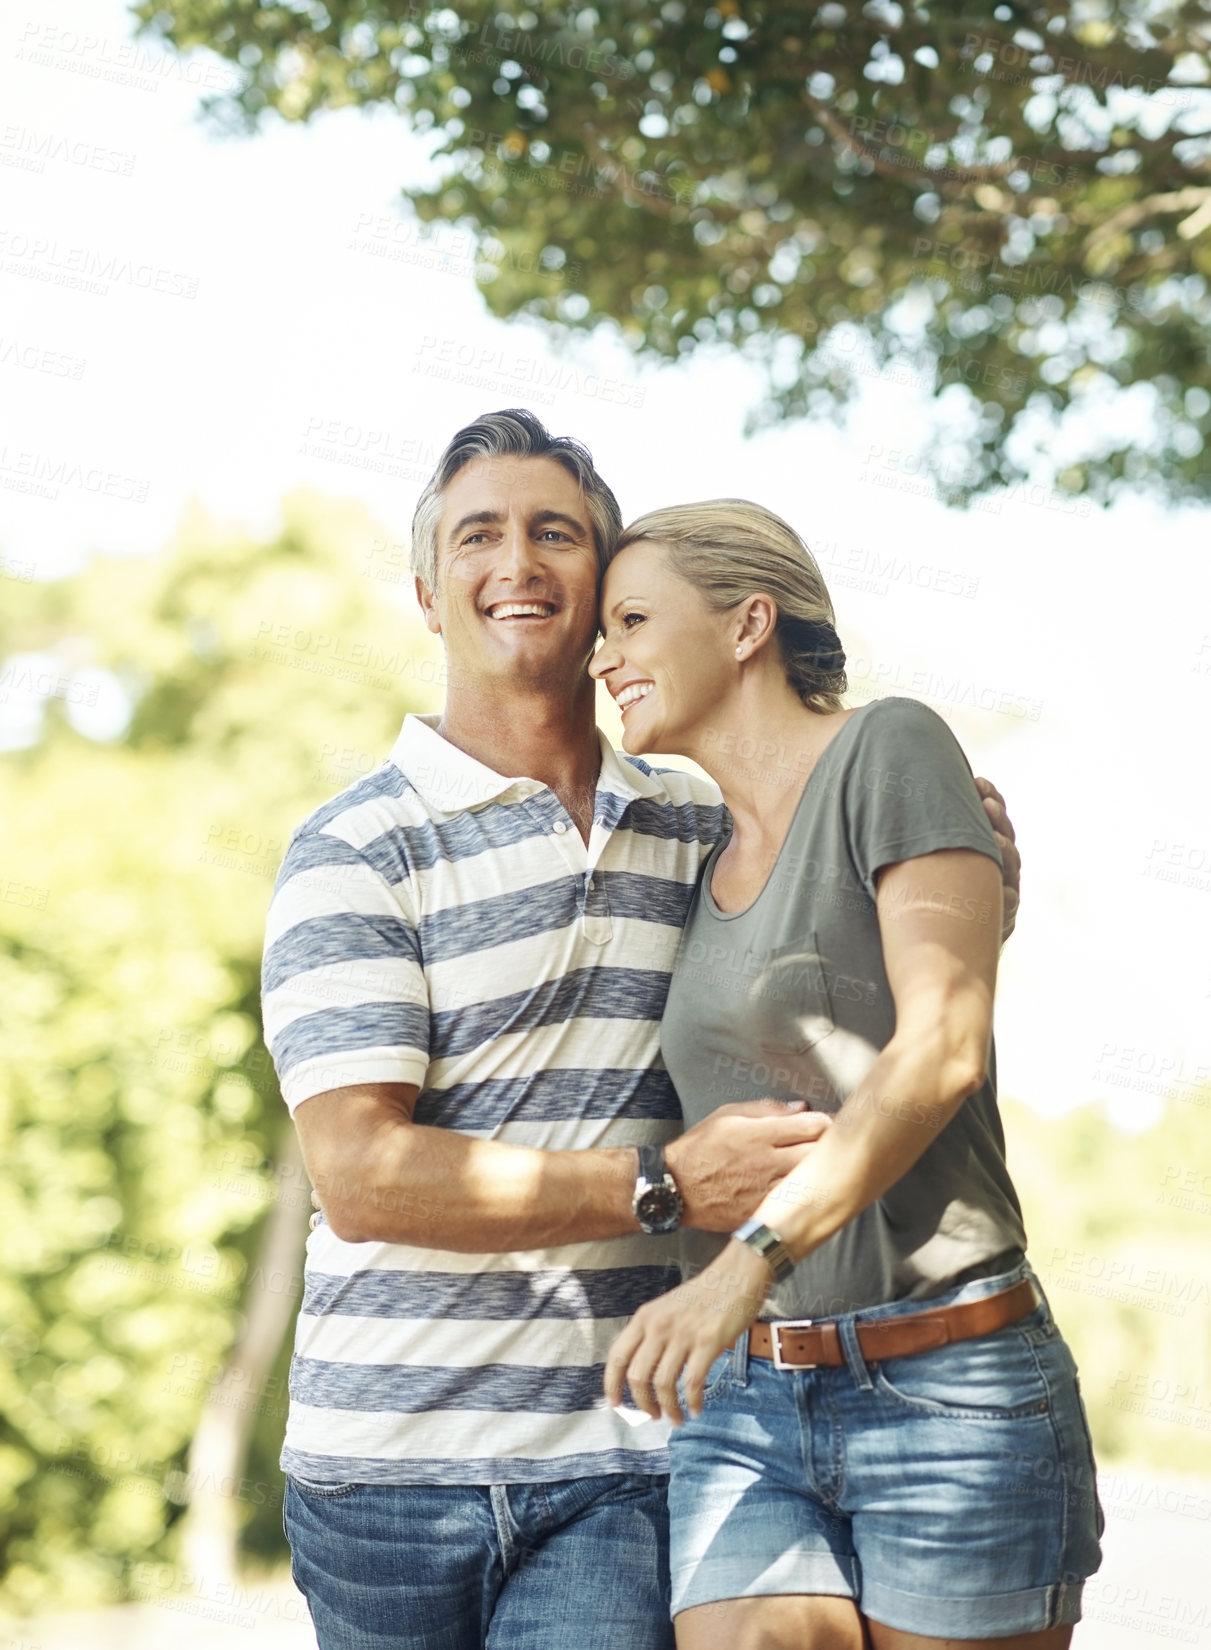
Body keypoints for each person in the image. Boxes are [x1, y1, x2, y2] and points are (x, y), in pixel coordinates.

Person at [261, 411, 1022, 1650]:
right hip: (382, 1471)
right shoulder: (355, 850)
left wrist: (969, 886)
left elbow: (845, 992)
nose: (519, 563)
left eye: (555, 534)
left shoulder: (699, 826)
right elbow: (358, 1177)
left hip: (625, 1451)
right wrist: (662, 1184)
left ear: (601, 581)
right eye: (479, 536)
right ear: (425, 592)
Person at [596, 500, 1101, 1650]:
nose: (605, 656)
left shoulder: (890, 748)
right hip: (746, 1400)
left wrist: (744, 1263)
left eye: (631, 620)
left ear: (745, 624)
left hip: (947, 1384)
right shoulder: (692, 852)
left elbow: (940, 1045)